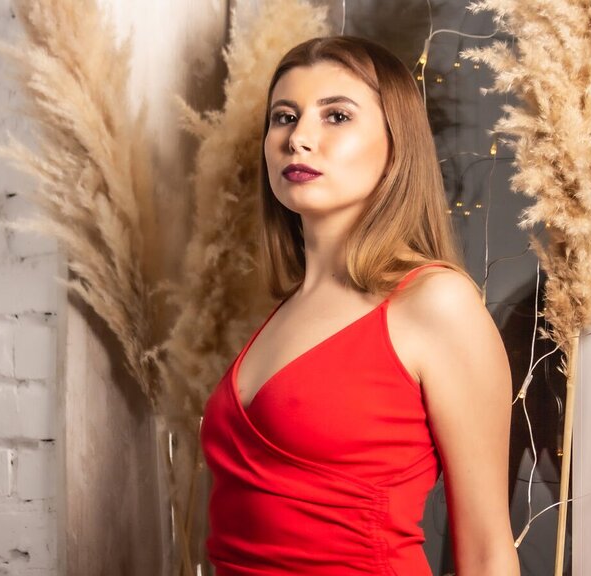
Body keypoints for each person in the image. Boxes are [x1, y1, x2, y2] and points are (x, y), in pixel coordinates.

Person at [199, 35, 521, 576]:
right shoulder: (284, 310)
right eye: (284, 117)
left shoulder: (436, 303)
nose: (299, 139)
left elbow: (488, 552)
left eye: (337, 116)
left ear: (397, 145)